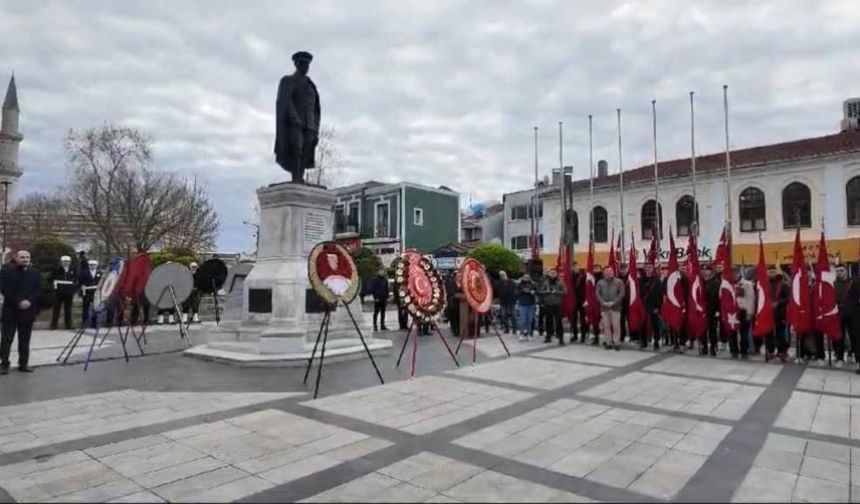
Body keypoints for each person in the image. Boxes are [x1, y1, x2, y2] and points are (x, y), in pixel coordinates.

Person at [274, 51, 321, 183]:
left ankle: (300, 176)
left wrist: (316, 126)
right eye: (302, 64)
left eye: (307, 65)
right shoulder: (288, 80)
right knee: (296, 148)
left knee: (306, 151)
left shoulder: (311, 85)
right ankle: (295, 177)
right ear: (296, 65)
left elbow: (316, 109)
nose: (305, 67)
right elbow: (285, 101)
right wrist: (294, 118)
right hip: (295, 124)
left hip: (310, 124)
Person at [0, 250, 42, 374]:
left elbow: (38, 289)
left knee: (25, 340)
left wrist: (29, 301)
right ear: (16, 258)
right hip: (11, 310)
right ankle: (4, 365)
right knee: (7, 339)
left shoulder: (34, 273)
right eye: (22, 257)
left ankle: (23, 364)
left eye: (27, 257)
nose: (25, 259)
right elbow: (4, 288)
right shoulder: (7, 271)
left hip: (28, 311)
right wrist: (19, 301)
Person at [597, 266, 625, 351]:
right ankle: (608, 342)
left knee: (616, 326)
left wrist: (614, 302)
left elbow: (622, 293)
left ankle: (616, 342)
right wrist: (603, 303)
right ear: (604, 273)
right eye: (607, 271)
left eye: (611, 271)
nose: (609, 272)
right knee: (606, 326)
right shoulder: (600, 282)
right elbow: (597, 294)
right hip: (604, 308)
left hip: (615, 307)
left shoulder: (619, 281)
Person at [766, 266, 791, 363]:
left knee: (781, 334)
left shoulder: (783, 285)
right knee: (768, 333)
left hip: (780, 313)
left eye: (773, 272)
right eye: (770, 272)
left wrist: (778, 303)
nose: (771, 274)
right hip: (768, 313)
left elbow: (788, 298)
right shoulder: (765, 284)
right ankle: (770, 351)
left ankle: (781, 352)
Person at [640, 263, 663, 351]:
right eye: (647, 267)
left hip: (653, 306)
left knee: (655, 325)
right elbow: (639, 293)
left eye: (650, 267)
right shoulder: (641, 280)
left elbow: (659, 294)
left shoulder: (656, 280)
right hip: (643, 305)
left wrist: (658, 307)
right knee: (643, 324)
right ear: (644, 269)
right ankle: (644, 341)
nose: (648, 269)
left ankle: (656, 341)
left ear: (653, 269)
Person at [50, 255, 77, 330]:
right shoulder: (57, 269)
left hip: (69, 292)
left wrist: (73, 287)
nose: (66, 263)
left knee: (68, 309)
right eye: (64, 261)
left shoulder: (73, 270)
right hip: (59, 292)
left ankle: (68, 324)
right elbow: (51, 278)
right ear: (61, 262)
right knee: (56, 309)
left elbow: (76, 279)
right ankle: (54, 325)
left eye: (67, 261)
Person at [540, 269, 566, 345]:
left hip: (557, 304)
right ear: (549, 274)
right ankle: (548, 337)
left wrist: (556, 292)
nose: (552, 274)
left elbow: (565, 291)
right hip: (548, 304)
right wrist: (547, 291)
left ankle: (561, 338)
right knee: (548, 322)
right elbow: (541, 291)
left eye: (554, 273)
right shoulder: (546, 282)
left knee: (558, 322)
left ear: (556, 274)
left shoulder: (560, 282)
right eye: (551, 273)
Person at [734, 268, 754, 359]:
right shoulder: (728, 284)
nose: (735, 275)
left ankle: (744, 351)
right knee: (733, 332)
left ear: (739, 273)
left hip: (743, 310)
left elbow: (751, 299)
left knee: (744, 333)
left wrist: (749, 312)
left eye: (736, 273)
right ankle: (734, 350)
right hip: (733, 311)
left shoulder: (747, 284)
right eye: (733, 273)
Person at [834, 264, 852, 366]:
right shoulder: (834, 283)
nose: (839, 272)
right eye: (837, 271)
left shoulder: (853, 282)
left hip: (852, 314)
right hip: (839, 313)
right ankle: (840, 357)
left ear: (846, 271)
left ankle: (855, 356)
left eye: (841, 270)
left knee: (854, 336)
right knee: (840, 336)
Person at [702, 266, 721, 356]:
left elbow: (718, 297)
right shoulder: (700, 282)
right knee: (702, 329)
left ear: (710, 272)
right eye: (703, 270)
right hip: (702, 311)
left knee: (712, 330)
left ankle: (713, 347)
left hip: (712, 311)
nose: (705, 272)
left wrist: (718, 310)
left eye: (707, 270)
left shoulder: (715, 282)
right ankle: (704, 347)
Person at [79, 259, 101, 327]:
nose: (92, 266)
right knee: (86, 307)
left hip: (95, 292)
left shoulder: (99, 272)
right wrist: (82, 287)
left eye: (94, 265)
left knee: (95, 307)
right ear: (88, 265)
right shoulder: (84, 272)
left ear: (97, 265)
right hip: (87, 292)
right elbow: (81, 281)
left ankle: (94, 323)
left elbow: (100, 281)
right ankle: (84, 322)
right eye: (91, 265)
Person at [517, 273, 538, 341]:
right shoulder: (519, 285)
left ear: (530, 278)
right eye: (525, 277)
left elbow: (537, 291)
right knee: (523, 320)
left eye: (528, 277)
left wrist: (534, 292)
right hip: (522, 304)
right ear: (523, 278)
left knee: (530, 320)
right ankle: (521, 334)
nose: (526, 278)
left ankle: (529, 334)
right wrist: (523, 291)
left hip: (531, 304)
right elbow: (516, 292)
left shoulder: (533, 284)